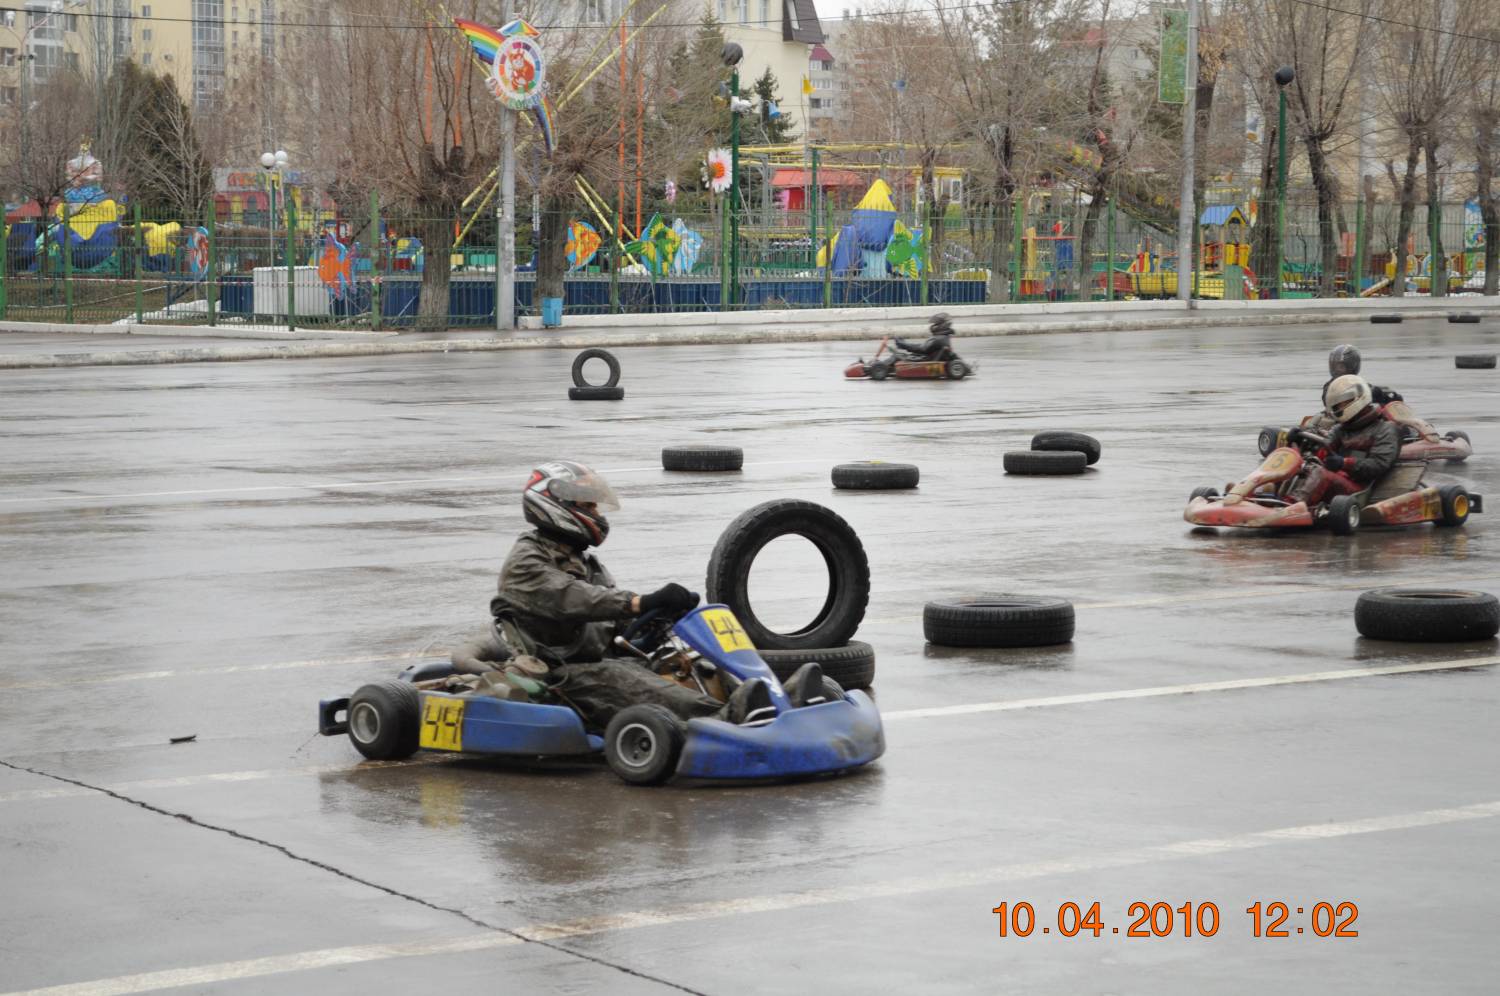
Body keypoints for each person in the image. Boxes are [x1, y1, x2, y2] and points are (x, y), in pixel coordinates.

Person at [451, 460, 799, 730]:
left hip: (599, 660)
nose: (597, 514)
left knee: (693, 664)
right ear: (557, 505)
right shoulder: (526, 562)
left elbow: (612, 621)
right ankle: (729, 720)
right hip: (560, 673)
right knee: (630, 682)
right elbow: (573, 598)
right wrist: (639, 602)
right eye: (589, 506)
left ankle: (776, 700)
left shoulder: (585, 561)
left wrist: (657, 618)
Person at [1288, 375, 1400, 508]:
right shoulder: (1341, 429)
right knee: (1295, 465)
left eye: (1343, 403)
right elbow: (1322, 452)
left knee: (1321, 474)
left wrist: (1344, 463)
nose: (1339, 408)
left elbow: (1379, 464)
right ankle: (1269, 497)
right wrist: (1298, 443)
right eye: (1336, 405)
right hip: (1336, 478)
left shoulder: (1384, 428)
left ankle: (1291, 506)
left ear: (1359, 398)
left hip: (1359, 489)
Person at [1324, 345, 1402, 406]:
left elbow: (1372, 390)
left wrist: (1389, 396)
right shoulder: (1330, 387)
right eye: (1333, 366)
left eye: (1340, 367)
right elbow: (1332, 399)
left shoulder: (1360, 383)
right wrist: (1371, 393)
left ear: (1352, 366)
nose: (1336, 370)